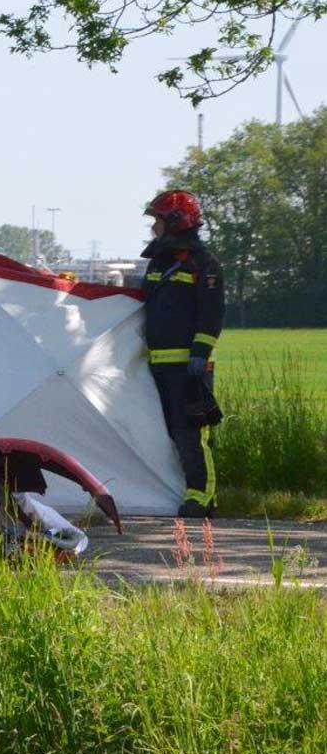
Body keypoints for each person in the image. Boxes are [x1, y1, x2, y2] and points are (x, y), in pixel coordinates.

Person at [141, 190, 224, 518]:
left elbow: (212, 312)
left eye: (158, 220)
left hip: (188, 368)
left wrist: (199, 354)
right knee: (163, 434)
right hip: (156, 367)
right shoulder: (160, 262)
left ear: (175, 221)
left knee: (190, 434)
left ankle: (200, 497)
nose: (154, 229)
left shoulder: (205, 264)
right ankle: (173, 491)